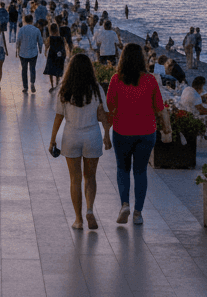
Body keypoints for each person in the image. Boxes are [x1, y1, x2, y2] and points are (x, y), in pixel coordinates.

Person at [49, 53, 112, 230]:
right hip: (92, 135)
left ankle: (78, 219)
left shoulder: (64, 89)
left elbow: (58, 117)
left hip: (71, 136)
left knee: (75, 179)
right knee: (90, 177)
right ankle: (90, 210)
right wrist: (107, 134)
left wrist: (53, 140)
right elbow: (104, 114)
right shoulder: (97, 89)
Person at [106, 43, 163, 225]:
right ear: (142, 59)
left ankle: (124, 204)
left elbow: (110, 106)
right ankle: (138, 213)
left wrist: (108, 130)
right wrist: (167, 128)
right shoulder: (151, 80)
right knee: (140, 171)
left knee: (122, 169)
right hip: (146, 132)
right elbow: (159, 108)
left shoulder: (116, 79)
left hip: (122, 130)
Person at [15, 14, 44, 94]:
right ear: (32, 21)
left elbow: (18, 41)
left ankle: (25, 87)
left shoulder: (21, 29)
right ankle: (32, 83)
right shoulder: (36, 30)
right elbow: (40, 41)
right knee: (32, 68)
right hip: (33, 53)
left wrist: (17, 50)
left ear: (24, 21)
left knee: (24, 70)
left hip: (23, 53)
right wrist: (40, 49)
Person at [43, 23, 67, 91]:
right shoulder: (62, 38)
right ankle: (57, 84)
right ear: (57, 29)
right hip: (58, 55)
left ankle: (52, 85)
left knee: (50, 71)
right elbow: (64, 46)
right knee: (57, 70)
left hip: (51, 54)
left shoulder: (50, 38)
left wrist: (45, 51)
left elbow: (47, 45)